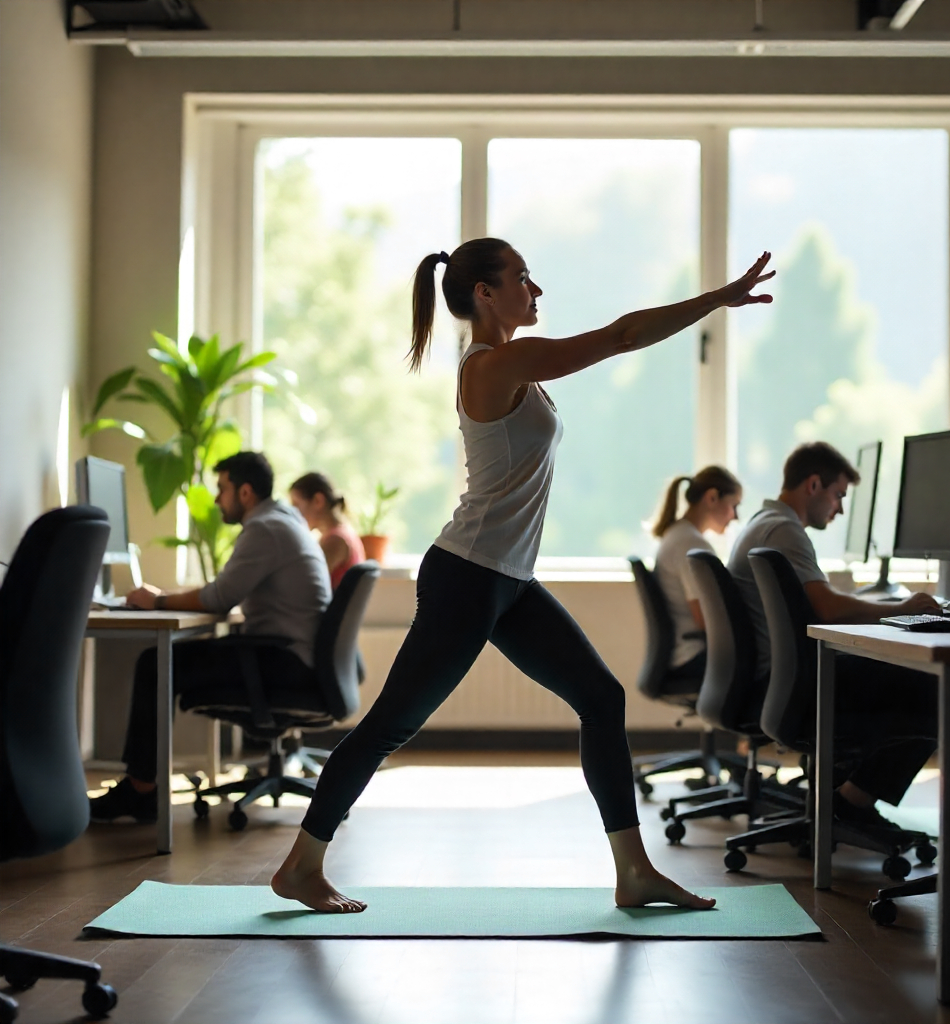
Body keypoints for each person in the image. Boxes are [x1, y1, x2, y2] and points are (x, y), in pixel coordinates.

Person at [270, 238, 775, 915]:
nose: (536, 292)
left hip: (506, 579)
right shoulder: (496, 364)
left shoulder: (517, 368)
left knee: (600, 697)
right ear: (484, 291)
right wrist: (717, 298)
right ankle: (302, 866)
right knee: (391, 724)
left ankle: (633, 871)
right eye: (523, 279)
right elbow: (623, 335)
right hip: (468, 576)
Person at [89, 451, 332, 823]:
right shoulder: (282, 520)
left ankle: (140, 792)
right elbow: (224, 589)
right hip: (295, 657)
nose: (217, 498)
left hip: (283, 662)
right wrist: (166, 597)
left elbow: (219, 597)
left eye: (222, 489)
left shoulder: (264, 528)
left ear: (246, 492)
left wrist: (157, 600)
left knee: (156, 662)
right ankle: (143, 787)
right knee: (166, 659)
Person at [727, 441, 939, 834]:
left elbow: (818, 604)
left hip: (774, 684)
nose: (839, 509)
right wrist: (900, 608)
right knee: (935, 687)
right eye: (838, 495)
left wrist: (876, 605)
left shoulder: (764, 523)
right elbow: (826, 608)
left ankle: (845, 794)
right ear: (813, 485)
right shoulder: (784, 530)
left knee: (899, 675)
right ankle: (849, 802)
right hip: (793, 688)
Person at [651, 466, 743, 690]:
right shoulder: (690, 544)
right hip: (692, 655)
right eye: (734, 506)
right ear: (712, 497)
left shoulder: (678, 535)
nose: (736, 517)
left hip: (681, 652)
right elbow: (705, 618)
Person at [289, 471, 366, 590]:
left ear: (318, 501)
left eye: (296, 505)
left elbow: (306, 581)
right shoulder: (341, 533)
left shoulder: (336, 540)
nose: (294, 513)